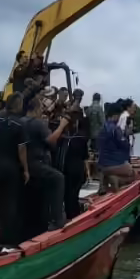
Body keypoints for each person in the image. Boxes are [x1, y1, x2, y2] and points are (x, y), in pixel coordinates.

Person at [0, 92, 30, 251]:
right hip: (11, 168)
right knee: (8, 205)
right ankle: (7, 242)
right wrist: (26, 169)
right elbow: (21, 149)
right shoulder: (19, 124)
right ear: (16, 104)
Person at [23, 97, 71, 232]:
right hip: (36, 163)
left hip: (24, 163)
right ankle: (57, 219)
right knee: (58, 178)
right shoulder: (37, 124)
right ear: (37, 109)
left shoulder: (21, 121)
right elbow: (51, 140)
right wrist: (62, 126)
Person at [62, 91, 90, 221]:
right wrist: (87, 171)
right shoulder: (81, 137)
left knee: (69, 195)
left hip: (68, 168)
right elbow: (85, 156)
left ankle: (70, 216)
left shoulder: (66, 137)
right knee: (73, 194)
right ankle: (74, 216)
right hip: (77, 168)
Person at [97, 103, 136, 191]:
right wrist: (126, 134)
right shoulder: (115, 129)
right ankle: (117, 179)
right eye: (119, 116)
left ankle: (106, 182)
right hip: (113, 164)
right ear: (115, 115)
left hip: (102, 165)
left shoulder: (102, 128)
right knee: (133, 174)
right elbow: (125, 146)